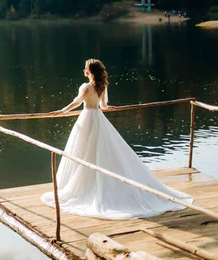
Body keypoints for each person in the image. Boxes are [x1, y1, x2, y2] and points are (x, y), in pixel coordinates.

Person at [41, 59, 193, 220]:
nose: (83, 70)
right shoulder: (101, 86)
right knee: (98, 150)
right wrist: (108, 108)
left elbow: (77, 102)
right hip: (98, 117)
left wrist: (61, 111)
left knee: (83, 150)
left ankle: (86, 185)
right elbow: (104, 106)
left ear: (90, 71)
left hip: (86, 118)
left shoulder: (85, 87)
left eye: (85, 68)